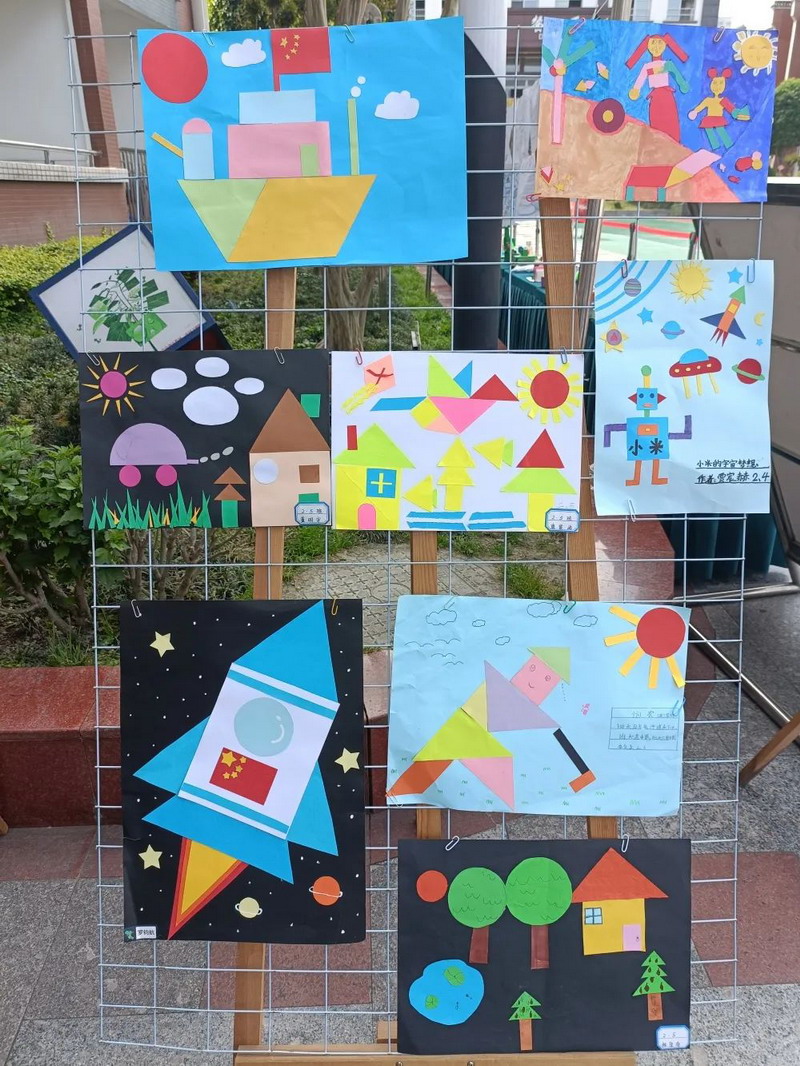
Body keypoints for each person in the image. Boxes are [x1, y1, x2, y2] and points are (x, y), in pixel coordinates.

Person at [625, 33, 689, 142]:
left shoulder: (667, 64)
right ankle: (658, 143)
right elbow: (641, 79)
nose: (656, 47)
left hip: (667, 95)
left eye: (659, 43)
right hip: (655, 97)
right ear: (648, 46)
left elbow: (678, 76)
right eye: (653, 44)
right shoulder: (647, 67)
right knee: (656, 120)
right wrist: (636, 89)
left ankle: (674, 142)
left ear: (664, 45)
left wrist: (682, 84)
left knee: (670, 119)